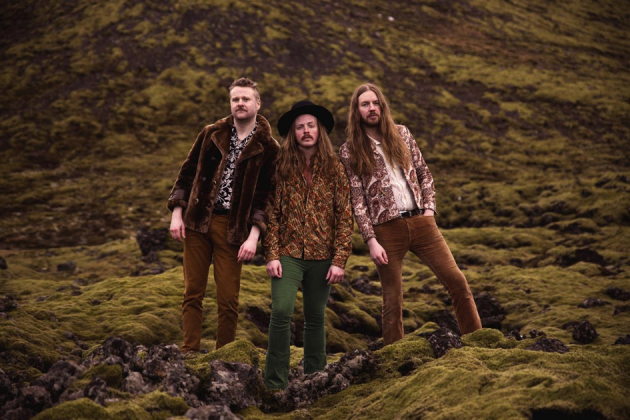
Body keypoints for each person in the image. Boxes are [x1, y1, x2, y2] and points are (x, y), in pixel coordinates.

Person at [339, 83, 482, 345]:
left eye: (375, 103)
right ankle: (395, 356)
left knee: (457, 282)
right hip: (386, 230)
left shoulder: (402, 133)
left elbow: (424, 172)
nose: (371, 108)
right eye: (365, 104)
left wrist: (429, 209)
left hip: (422, 222)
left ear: (382, 106)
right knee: (392, 300)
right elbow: (357, 200)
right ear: (356, 110)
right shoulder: (350, 150)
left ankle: (479, 342)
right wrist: (371, 240)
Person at [167, 77, 280, 354]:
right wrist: (177, 212)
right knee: (192, 291)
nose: (240, 103)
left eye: (245, 99)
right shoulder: (211, 134)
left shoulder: (270, 148)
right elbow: (187, 172)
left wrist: (253, 236)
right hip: (197, 221)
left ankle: (224, 355)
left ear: (257, 103)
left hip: (233, 229)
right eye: (235, 99)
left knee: (228, 298)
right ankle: (189, 350)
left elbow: (267, 197)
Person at [263, 100, 353, 389]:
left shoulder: (335, 168)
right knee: (281, 312)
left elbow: (345, 216)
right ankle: (275, 383)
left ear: (319, 130)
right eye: (300, 127)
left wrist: (339, 260)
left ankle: (316, 379)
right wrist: (272, 255)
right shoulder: (281, 167)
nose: (305, 131)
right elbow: (272, 214)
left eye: (310, 126)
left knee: (315, 317)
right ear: (293, 133)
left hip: (323, 257)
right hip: (287, 254)